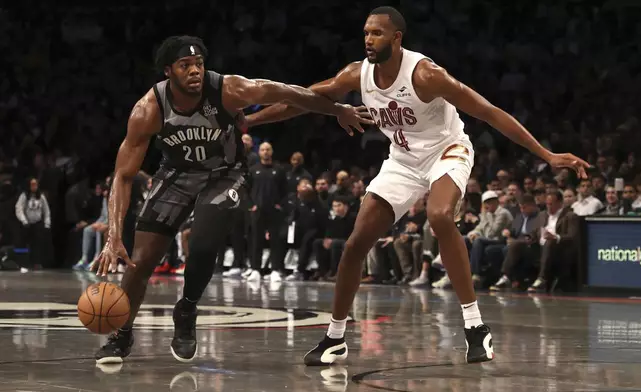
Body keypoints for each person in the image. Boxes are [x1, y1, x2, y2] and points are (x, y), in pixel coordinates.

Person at [246, 6, 589, 365]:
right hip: (403, 159)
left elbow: (488, 111)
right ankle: (335, 338)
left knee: (439, 216)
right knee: (355, 244)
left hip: (447, 149)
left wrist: (546, 154)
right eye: (365, 32)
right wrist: (250, 123)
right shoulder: (356, 74)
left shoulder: (425, 74)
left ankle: (475, 326)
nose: (368, 39)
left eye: (376, 33)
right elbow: (301, 99)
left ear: (397, 38)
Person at [91, 35, 372, 365]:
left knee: (205, 243)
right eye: (185, 66)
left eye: (199, 64)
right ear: (169, 72)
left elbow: (290, 93)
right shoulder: (148, 109)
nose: (195, 71)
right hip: (176, 175)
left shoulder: (229, 89)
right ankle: (122, 334)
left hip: (226, 173)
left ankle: (187, 309)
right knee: (141, 261)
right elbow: (123, 176)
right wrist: (112, 235)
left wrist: (337, 108)